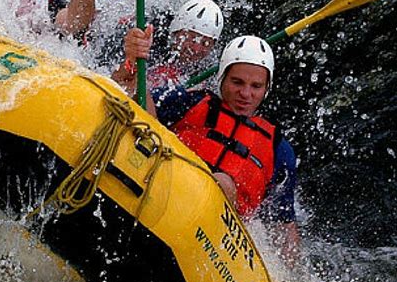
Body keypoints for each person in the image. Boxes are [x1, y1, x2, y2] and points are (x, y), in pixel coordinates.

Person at [126, 33, 301, 265]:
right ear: (222, 78)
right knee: (220, 181)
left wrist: (291, 276)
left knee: (223, 183)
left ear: (266, 88)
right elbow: (140, 116)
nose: (246, 94)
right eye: (237, 82)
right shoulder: (190, 102)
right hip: (166, 197)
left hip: (222, 245)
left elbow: (283, 224)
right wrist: (133, 66)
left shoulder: (279, 149)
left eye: (256, 86)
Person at [112, 0, 224, 92]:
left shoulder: (210, 68)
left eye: (206, 43)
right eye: (192, 39)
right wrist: (132, 58)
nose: (196, 48)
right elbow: (118, 83)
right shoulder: (154, 41)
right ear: (176, 32)